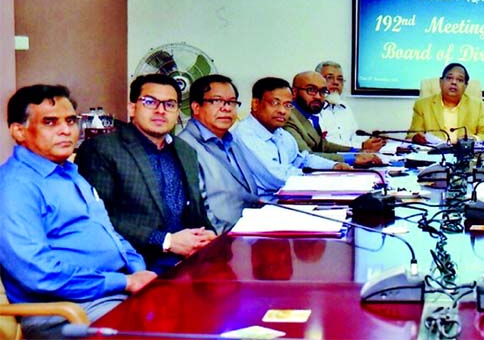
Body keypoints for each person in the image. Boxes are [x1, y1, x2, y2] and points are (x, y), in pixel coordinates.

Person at [0, 85, 156, 338]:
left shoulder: (69, 172)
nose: (65, 130)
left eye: (71, 121)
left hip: (115, 291)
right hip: (64, 310)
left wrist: (138, 270)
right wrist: (124, 282)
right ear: (19, 131)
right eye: (50, 122)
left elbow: (110, 234)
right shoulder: (15, 187)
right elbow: (37, 272)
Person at [76, 74, 216, 274]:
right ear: (132, 107)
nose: (160, 110)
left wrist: (209, 236)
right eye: (150, 102)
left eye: (169, 104)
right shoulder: (103, 149)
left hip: (188, 259)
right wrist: (166, 241)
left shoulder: (185, 150)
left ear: (178, 112)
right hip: (138, 263)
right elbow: (100, 218)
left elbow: (197, 211)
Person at [233, 77, 351, 199]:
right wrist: (326, 181)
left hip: (288, 198)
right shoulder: (245, 134)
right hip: (262, 206)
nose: (282, 111)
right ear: (255, 104)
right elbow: (277, 178)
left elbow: (301, 159)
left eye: (288, 105)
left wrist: (333, 166)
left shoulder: (281, 134)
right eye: (275, 103)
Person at [177, 74, 259, 234]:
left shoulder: (231, 140)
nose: (226, 108)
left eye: (231, 102)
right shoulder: (185, 146)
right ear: (196, 107)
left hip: (248, 233)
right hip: (220, 242)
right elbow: (199, 210)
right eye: (216, 101)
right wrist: (225, 242)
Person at [285, 71, 382, 166]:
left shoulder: (307, 115)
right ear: (294, 92)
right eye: (311, 90)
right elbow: (306, 157)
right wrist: (353, 158)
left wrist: (358, 151)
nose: (318, 97)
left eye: (323, 91)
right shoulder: (287, 118)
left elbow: (324, 145)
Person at [408, 62, 484, 144]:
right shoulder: (422, 105)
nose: (454, 82)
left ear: (465, 86)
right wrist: (416, 138)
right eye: (449, 78)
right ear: (441, 82)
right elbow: (412, 135)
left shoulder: (476, 105)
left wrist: (473, 139)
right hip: (434, 155)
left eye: (460, 80)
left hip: (464, 155)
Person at [316, 60, 385, 151]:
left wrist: (373, 140)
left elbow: (354, 137)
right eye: (329, 78)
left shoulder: (345, 107)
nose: (336, 82)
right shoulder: (314, 108)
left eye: (340, 79)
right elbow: (325, 144)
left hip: (353, 157)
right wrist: (362, 146)